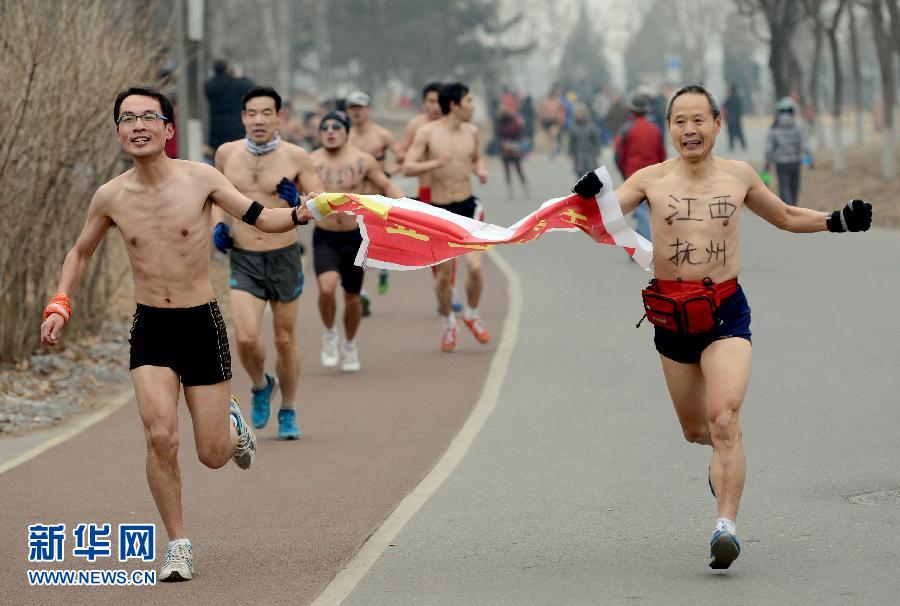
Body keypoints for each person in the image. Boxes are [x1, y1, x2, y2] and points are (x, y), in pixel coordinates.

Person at [39, 87, 317, 582]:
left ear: (168, 128)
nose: (138, 125)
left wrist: (301, 213)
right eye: (128, 118)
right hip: (152, 327)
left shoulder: (202, 178)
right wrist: (61, 302)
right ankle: (179, 544)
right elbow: (80, 252)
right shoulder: (111, 196)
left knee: (211, 454)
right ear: (119, 131)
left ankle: (230, 427)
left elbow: (262, 217)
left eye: (149, 116)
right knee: (160, 434)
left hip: (201, 324)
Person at [594, 83, 872, 570]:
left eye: (699, 120)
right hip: (672, 317)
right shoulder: (650, 179)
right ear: (669, 127)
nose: (690, 129)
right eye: (679, 121)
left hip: (725, 311)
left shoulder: (739, 175)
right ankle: (722, 466)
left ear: (718, 124)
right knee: (695, 429)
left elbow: (785, 215)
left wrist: (837, 220)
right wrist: (586, 195)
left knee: (725, 419)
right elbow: (599, 214)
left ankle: (726, 526)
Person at [213, 86, 324, 440]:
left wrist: (300, 202)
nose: (259, 120)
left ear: (280, 117)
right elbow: (217, 196)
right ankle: (262, 385)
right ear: (243, 117)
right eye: (251, 113)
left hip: (283, 257)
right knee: (245, 339)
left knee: (284, 339)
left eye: (266, 113)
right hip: (243, 257)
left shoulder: (296, 156)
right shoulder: (226, 154)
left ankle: (288, 408)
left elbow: (320, 200)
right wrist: (219, 224)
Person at [310, 110, 404, 371]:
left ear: (346, 132)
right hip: (325, 236)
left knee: (352, 298)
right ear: (319, 134)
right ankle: (330, 333)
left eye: (336, 127)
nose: (330, 131)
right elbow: (296, 194)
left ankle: (349, 344)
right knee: (326, 288)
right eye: (324, 127)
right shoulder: (309, 161)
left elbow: (386, 185)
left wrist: (403, 205)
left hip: (355, 237)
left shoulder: (363, 161)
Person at [402, 82, 490, 352]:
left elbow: (475, 158)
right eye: (469, 102)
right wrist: (434, 164)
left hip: (468, 207)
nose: (473, 107)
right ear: (454, 105)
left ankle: (472, 315)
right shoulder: (427, 133)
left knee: (475, 268)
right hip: (440, 212)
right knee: (443, 277)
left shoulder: (472, 131)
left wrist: (480, 170)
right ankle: (449, 323)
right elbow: (407, 167)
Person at [399, 82, 462, 312]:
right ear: (424, 103)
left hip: (450, 193)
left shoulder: (453, 126)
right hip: (426, 193)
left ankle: (451, 288)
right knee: (433, 247)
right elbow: (401, 153)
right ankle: (441, 284)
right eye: (431, 101)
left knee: (451, 244)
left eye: (438, 101)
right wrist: (409, 157)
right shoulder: (416, 125)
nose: (435, 106)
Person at [346, 90, 404, 298]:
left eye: (360, 108)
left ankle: (382, 271)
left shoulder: (382, 135)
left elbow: (401, 159)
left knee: (378, 242)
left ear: (368, 109)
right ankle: (360, 291)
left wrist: (388, 173)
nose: (356, 112)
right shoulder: (345, 136)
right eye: (353, 108)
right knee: (358, 244)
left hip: (380, 197)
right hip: (356, 198)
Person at [614, 92, 666, 240]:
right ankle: (638, 240)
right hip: (653, 174)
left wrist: (624, 173)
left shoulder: (626, 130)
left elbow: (618, 155)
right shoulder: (655, 129)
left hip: (633, 174)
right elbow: (661, 153)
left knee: (641, 209)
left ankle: (644, 243)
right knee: (644, 208)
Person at [765, 97, 813, 206]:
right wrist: (810, 161)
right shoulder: (797, 127)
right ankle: (794, 209)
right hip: (795, 163)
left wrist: (767, 165)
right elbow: (804, 145)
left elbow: (769, 150)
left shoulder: (774, 128)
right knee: (794, 188)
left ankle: (789, 210)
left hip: (781, 164)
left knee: (784, 189)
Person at [204, 59, 254, 151]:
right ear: (227, 69)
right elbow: (250, 85)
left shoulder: (210, 85)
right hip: (235, 131)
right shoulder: (235, 84)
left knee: (219, 158)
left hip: (217, 131)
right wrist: (240, 76)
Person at [496, 105, 529, 197]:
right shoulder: (513, 122)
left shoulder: (500, 124)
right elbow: (520, 132)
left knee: (508, 170)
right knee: (518, 169)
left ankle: (511, 190)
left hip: (506, 147)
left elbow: (498, 134)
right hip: (514, 147)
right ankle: (524, 188)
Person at [568, 103, 603, 178]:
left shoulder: (591, 126)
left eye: (580, 113)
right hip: (579, 154)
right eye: (576, 114)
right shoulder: (573, 128)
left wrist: (598, 149)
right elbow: (571, 142)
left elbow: (596, 140)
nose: (578, 115)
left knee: (592, 174)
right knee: (580, 176)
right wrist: (570, 152)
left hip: (590, 153)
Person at [723, 84, 747, 152]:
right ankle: (743, 145)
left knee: (731, 133)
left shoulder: (729, 99)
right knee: (739, 133)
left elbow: (724, 107)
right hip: (737, 118)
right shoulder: (738, 98)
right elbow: (741, 109)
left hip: (730, 119)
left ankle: (731, 146)